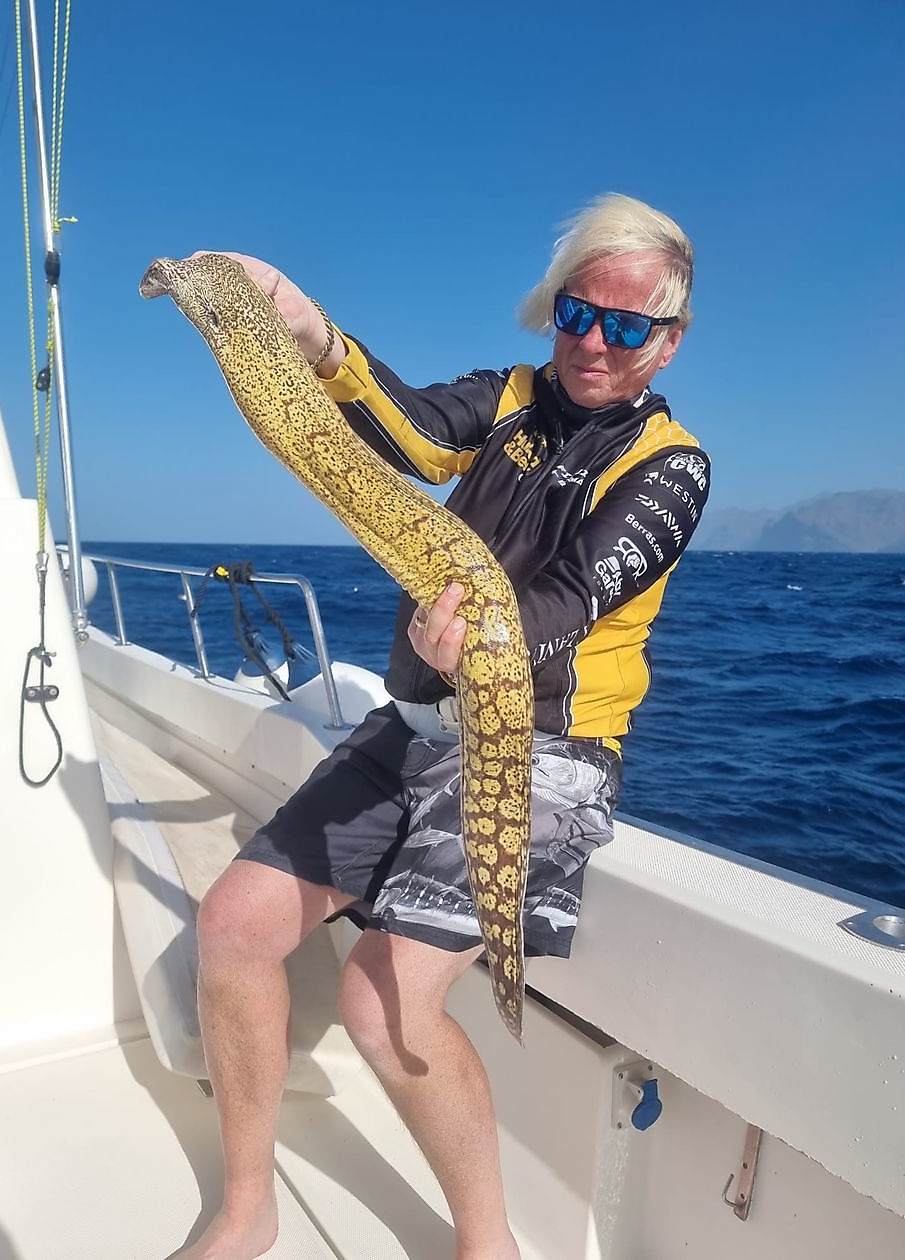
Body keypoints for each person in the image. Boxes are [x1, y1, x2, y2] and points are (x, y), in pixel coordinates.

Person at [179, 193, 710, 1260]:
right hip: (418, 723)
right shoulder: (511, 397)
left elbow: (573, 595)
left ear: (667, 342)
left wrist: (478, 643)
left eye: (625, 327)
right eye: (576, 314)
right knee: (233, 927)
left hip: (546, 750)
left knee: (385, 1004)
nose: (592, 344)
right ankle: (246, 1211)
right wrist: (306, 329)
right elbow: (414, 432)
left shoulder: (671, 468)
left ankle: (487, 1245)